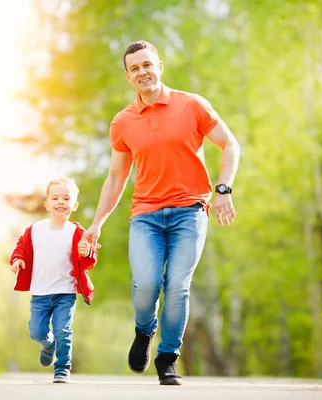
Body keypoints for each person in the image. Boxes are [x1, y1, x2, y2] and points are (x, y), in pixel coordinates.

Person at [81, 40, 240, 385]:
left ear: (160, 66)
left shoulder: (191, 105)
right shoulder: (123, 121)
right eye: (135, 68)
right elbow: (116, 176)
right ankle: (144, 331)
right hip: (146, 216)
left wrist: (224, 189)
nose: (143, 72)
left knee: (177, 285)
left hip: (189, 212)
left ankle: (167, 357)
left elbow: (230, 143)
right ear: (128, 76)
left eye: (147, 65)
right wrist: (96, 224)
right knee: (146, 285)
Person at [10, 177, 97, 384]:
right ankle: (49, 345)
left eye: (66, 198)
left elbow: (88, 260)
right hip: (40, 292)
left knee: (63, 330)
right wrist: (18, 259)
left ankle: (62, 368)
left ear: (73, 205)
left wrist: (87, 253)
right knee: (36, 332)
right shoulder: (35, 230)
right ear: (47, 204)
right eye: (55, 198)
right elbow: (21, 247)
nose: (60, 202)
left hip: (65, 292)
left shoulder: (77, 233)